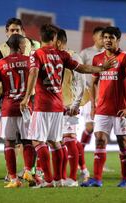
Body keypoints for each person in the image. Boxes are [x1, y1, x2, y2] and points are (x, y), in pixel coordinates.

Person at [19, 24, 116, 188]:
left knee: (37, 141)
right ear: (54, 38)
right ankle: (59, 180)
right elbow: (83, 69)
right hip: (58, 105)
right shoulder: (62, 55)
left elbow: (34, 73)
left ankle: (49, 181)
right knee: (55, 143)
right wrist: (102, 68)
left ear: (41, 37)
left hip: (42, 105)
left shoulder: (37, 54)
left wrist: (26, 96)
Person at [81, 26, 126, 188]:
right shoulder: (97, 58)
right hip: (102, 109)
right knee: (99, 140)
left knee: (122, 143)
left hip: (120, 109)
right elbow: (94, 82)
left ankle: (125, 179)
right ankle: (97, 179)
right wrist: (93, 105)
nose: (107, 40)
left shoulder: (125, 58)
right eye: (105, 37)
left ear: (117, 40)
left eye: (111, 37)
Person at [0, 34, 35, 188]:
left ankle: (13, 179)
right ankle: (28, 170)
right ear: (20, 46)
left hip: (8, 107)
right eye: (24, 45)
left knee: (9, 142)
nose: (25, 47)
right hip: (26, 106)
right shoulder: (30, 61)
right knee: (28, 141)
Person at [56, 29, 86, 187]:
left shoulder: (73, 56)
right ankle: (61, 177)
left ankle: (73, 178)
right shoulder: (53, 56)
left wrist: (75, 104)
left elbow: (81, 82)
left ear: (59, 41)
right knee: (58, 142)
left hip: (69, 105)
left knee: (69, 139)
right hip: (55, 105)